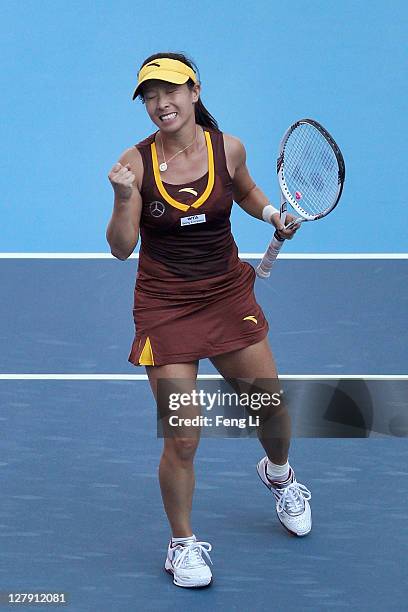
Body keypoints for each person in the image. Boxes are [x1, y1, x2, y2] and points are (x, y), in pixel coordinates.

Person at [106, 52, 312, 589]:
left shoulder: (229, 149)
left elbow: (243, 190)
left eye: (169, 91)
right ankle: (182, 544)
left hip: (225, 295)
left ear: (195, 92)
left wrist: (270, 214)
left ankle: (280, 475)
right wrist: (123, 196)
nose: (160, 104)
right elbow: (122, 248)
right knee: (184, 437)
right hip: (165, 307)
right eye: (149, 96)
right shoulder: (135, 162)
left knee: (269, 408)